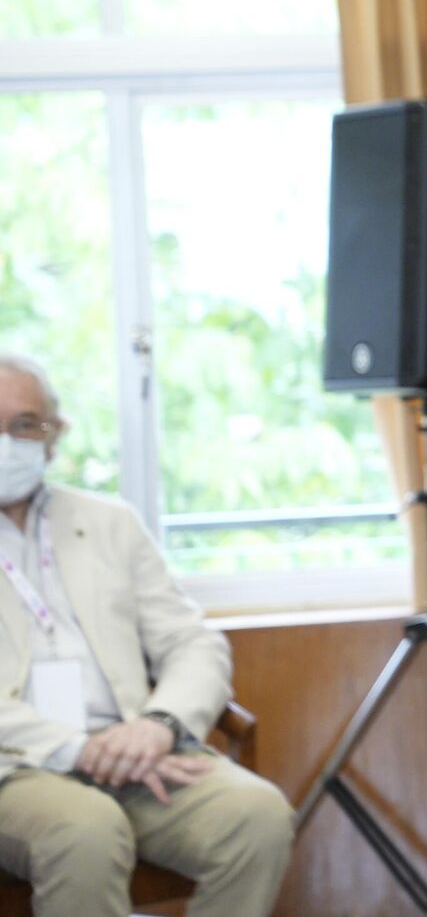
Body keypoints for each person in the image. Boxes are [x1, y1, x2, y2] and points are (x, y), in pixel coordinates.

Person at [0, 355, 294, 916]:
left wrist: (158, 726)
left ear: (54, 435)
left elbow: (192, 643)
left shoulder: (110, 522)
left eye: (24, 423)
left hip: (139, 752)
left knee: (256, 816)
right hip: (17, 767)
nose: (8, 442)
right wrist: (79, 750)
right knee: (86, 830)